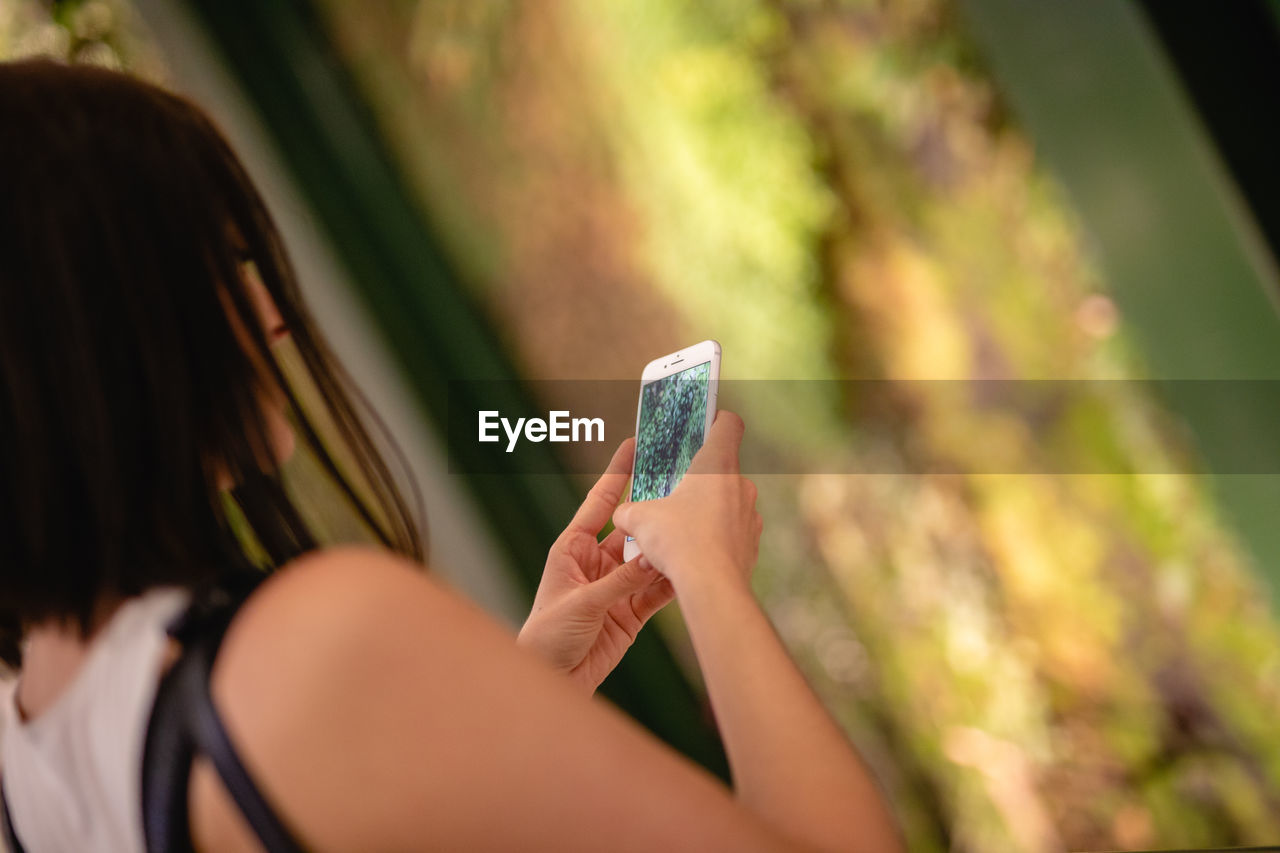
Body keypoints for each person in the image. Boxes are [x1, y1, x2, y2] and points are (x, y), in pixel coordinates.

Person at [0, 58, 904, 852]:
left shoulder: (27, 740)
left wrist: (515, 691)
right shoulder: (316, 643)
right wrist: (712, 577)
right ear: (104, 335)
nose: (273, 314)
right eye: (224, 265)